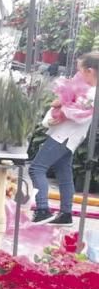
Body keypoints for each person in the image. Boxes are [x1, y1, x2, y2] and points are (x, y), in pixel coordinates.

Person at [30, 52, 99, 226]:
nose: (78, 74)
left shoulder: (92, 94)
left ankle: (42, 209)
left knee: (37, 168)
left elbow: (79, 114)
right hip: (67, 136)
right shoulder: (88, 90)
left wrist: (62, 110)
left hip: (65, 136)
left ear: (90, 71)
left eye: (80, 70)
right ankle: (66, 213)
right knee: (64, 173)